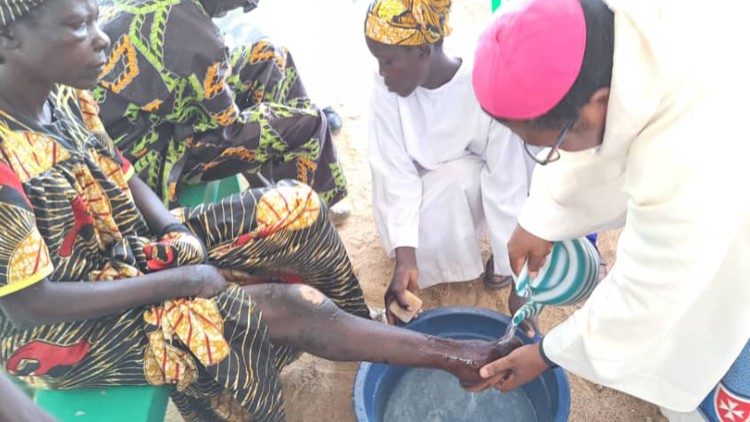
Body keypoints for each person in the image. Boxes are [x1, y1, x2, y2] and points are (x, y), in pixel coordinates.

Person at [0, 0, 520, 420]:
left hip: (129, 250)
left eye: (95, 17)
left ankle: (365, 337)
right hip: (61, 331)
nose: (101, 37)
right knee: (283, 307)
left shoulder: (62, 92)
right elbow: (30, 304)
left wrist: (173, 225)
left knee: (296, 205)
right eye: (77, 25)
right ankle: (451, 358)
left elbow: (122, 171)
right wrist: (178, 280)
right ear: (9, 40)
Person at [470, 0, 750, 420]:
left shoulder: (687, 149)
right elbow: (601, 130)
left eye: (555, 142)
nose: (551, 155)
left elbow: (650, 290)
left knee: (712, 330)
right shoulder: (608, 35)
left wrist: (547, 353)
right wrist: (539, 215)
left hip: (733, 229)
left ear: (600, 102)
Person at [94, 0, 350, 217]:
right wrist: (289, 123)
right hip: (147, 159)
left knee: (271, 56)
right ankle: (312, 215)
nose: (240, 10)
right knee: (308, 122)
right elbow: (228, 127)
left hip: (155, 120)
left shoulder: (181, 14)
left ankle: (288, 189)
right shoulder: (194, 38)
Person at [364, 0, 536, 321]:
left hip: (467, 187)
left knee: (519, 156)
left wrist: (518, 283)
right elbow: (393, 174)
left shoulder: (481, 81)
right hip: (416, 207)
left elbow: (506, 181)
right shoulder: (386, 89)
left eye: (388, 61)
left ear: (423, 52)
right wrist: (405, 258)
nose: (382, 73)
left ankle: (501, 260)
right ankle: (426, 257)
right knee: (448, 183)